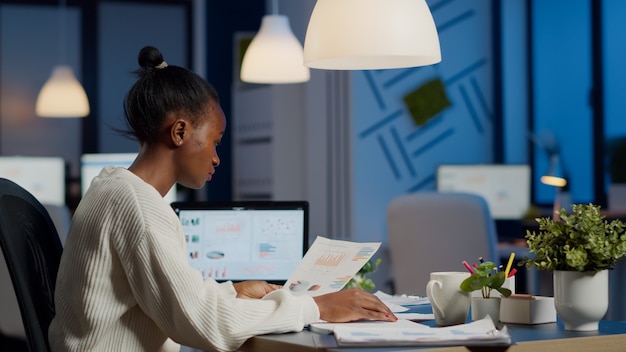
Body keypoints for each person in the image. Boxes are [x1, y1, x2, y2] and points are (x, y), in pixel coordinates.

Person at [48, 46, 396, 352]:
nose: (216, 157)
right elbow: (206, 326)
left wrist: (234, 293)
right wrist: (318, 307)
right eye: (215, 141)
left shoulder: (112, 188)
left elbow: (181, 301)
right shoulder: (139, 207)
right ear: (180, 131)